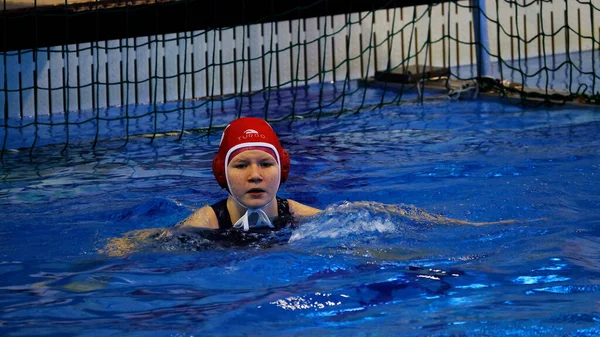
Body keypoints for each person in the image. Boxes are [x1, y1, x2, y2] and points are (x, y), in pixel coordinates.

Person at [176, 117, 321, 231]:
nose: (255, 175)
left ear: (283, 169)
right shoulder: (202, 225)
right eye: (241, 165)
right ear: (221, 173)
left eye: (265, 164)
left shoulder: (306, 217)